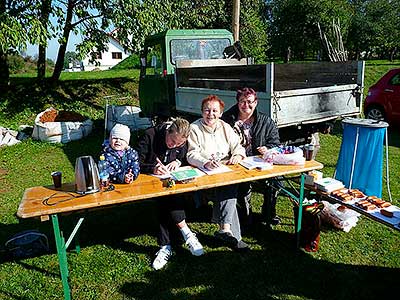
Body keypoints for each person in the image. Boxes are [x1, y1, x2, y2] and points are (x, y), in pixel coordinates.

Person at [136, 117, 204, 270]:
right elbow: (136, 162)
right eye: (172, 141)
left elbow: (182, 153)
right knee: (165, 198)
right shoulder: (150, 135)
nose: (174, 145)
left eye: (178, 143)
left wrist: (178, 161)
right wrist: (152, 167)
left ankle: (165, 246)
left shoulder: (181, 142)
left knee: (168, 198)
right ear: (168, 131)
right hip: (148, 180)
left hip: (169, 179)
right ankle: (186, 232)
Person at [187, 95, 249, 250]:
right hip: (204, 173)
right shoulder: (194, 128)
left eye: (215, 111)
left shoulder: (225, 126)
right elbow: (191, 154)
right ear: (202, 112)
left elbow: (238, 146)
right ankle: (230, 234)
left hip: (224, 170)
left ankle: (226, 231)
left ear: (221, 113)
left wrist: (237, 155)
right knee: (229, 191)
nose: (211, 114)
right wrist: (205, 162)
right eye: (207, 110)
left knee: (228, 187)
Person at [222, 87, 281, 228]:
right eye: (242, 101)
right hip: (236, 164)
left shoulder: (266, 121)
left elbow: (275, 142)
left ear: (256, 102)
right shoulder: (227, 120)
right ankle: (245, 216)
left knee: (276, 182)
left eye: (249, 102)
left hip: (259, 163)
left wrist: (267, 148)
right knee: (242, 185)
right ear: (237, 102)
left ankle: (268, 213)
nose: (246, 105)